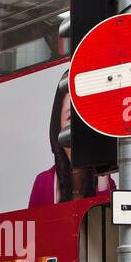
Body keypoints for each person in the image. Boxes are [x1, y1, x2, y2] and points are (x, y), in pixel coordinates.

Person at [29, 71, 115, 207]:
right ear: (58, 126)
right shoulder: (43, 183)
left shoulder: (104, 182)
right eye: (70, 118)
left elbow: (105, 219)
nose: (78, 130)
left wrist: (102, 173)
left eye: (84, 118)